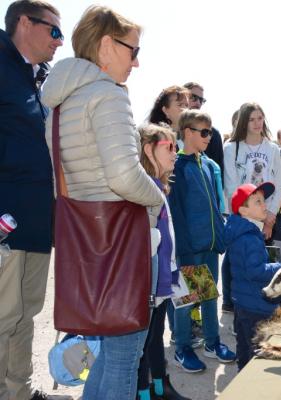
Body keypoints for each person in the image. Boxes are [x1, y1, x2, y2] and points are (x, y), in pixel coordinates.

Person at [42, 5, 164, 399]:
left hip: (86, 245)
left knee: (107, 355)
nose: (137, 62)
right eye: (133, 50)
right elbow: (124, 176)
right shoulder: (108, 95)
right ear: (107, 46)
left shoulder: (59, 103)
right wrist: (157, 199)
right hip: (121, 244)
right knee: (124, 356)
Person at [0, 1, 62, 399]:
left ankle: (17, 391)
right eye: (54, 31)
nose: (60, 41)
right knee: (3, 316)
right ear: (25, 23)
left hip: (38, 221)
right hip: (6, 219)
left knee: (26, 315)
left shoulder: (39, 79)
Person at [168, 109, 236, 372]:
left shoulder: (208, 165)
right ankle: (183, 347)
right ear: (187, 133)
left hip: (209, 245)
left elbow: (217, 206)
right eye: (204, 132)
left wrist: (219, 237)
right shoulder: (178, 166)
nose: (210, 136)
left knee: (210, 295)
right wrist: (184, 249)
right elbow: (177, 212)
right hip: (189, 248)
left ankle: (212, 342)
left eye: (211, 131)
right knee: (185, 299)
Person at [136, 124, 190, 400]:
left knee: (156, 338)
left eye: (176, 147)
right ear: (148, 149)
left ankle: (161, 388)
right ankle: (143, 393)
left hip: (164, 278)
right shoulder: (142, 189)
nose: (175, 153)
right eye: (169, 147)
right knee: (143, 343)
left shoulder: (161, 187)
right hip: (149, 282)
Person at [224, 182, 281, 370]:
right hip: (257, 306)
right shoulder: (249, 237)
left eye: (263, 201)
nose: (264, 205)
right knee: (257, 356)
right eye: (257, 202)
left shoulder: (240, 231)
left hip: (243, 302)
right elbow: (255, 271)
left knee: (244, 350)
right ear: (243, 210)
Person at [223, 102, 281, 240]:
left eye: (260, 118)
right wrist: (249, 215)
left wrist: (270, 217)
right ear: (244, 122)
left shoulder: (273, 149)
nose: (257, 123)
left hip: (267, 216)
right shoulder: (231, 148)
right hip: (242, 216)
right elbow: (231, 188)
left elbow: (278, 185)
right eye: (251, 119)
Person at [183, 82, 224, 174]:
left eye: (201, 100)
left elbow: (218, 173)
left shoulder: (213, 134)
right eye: (193, 97)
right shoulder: (170, 132)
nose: (198, 103)